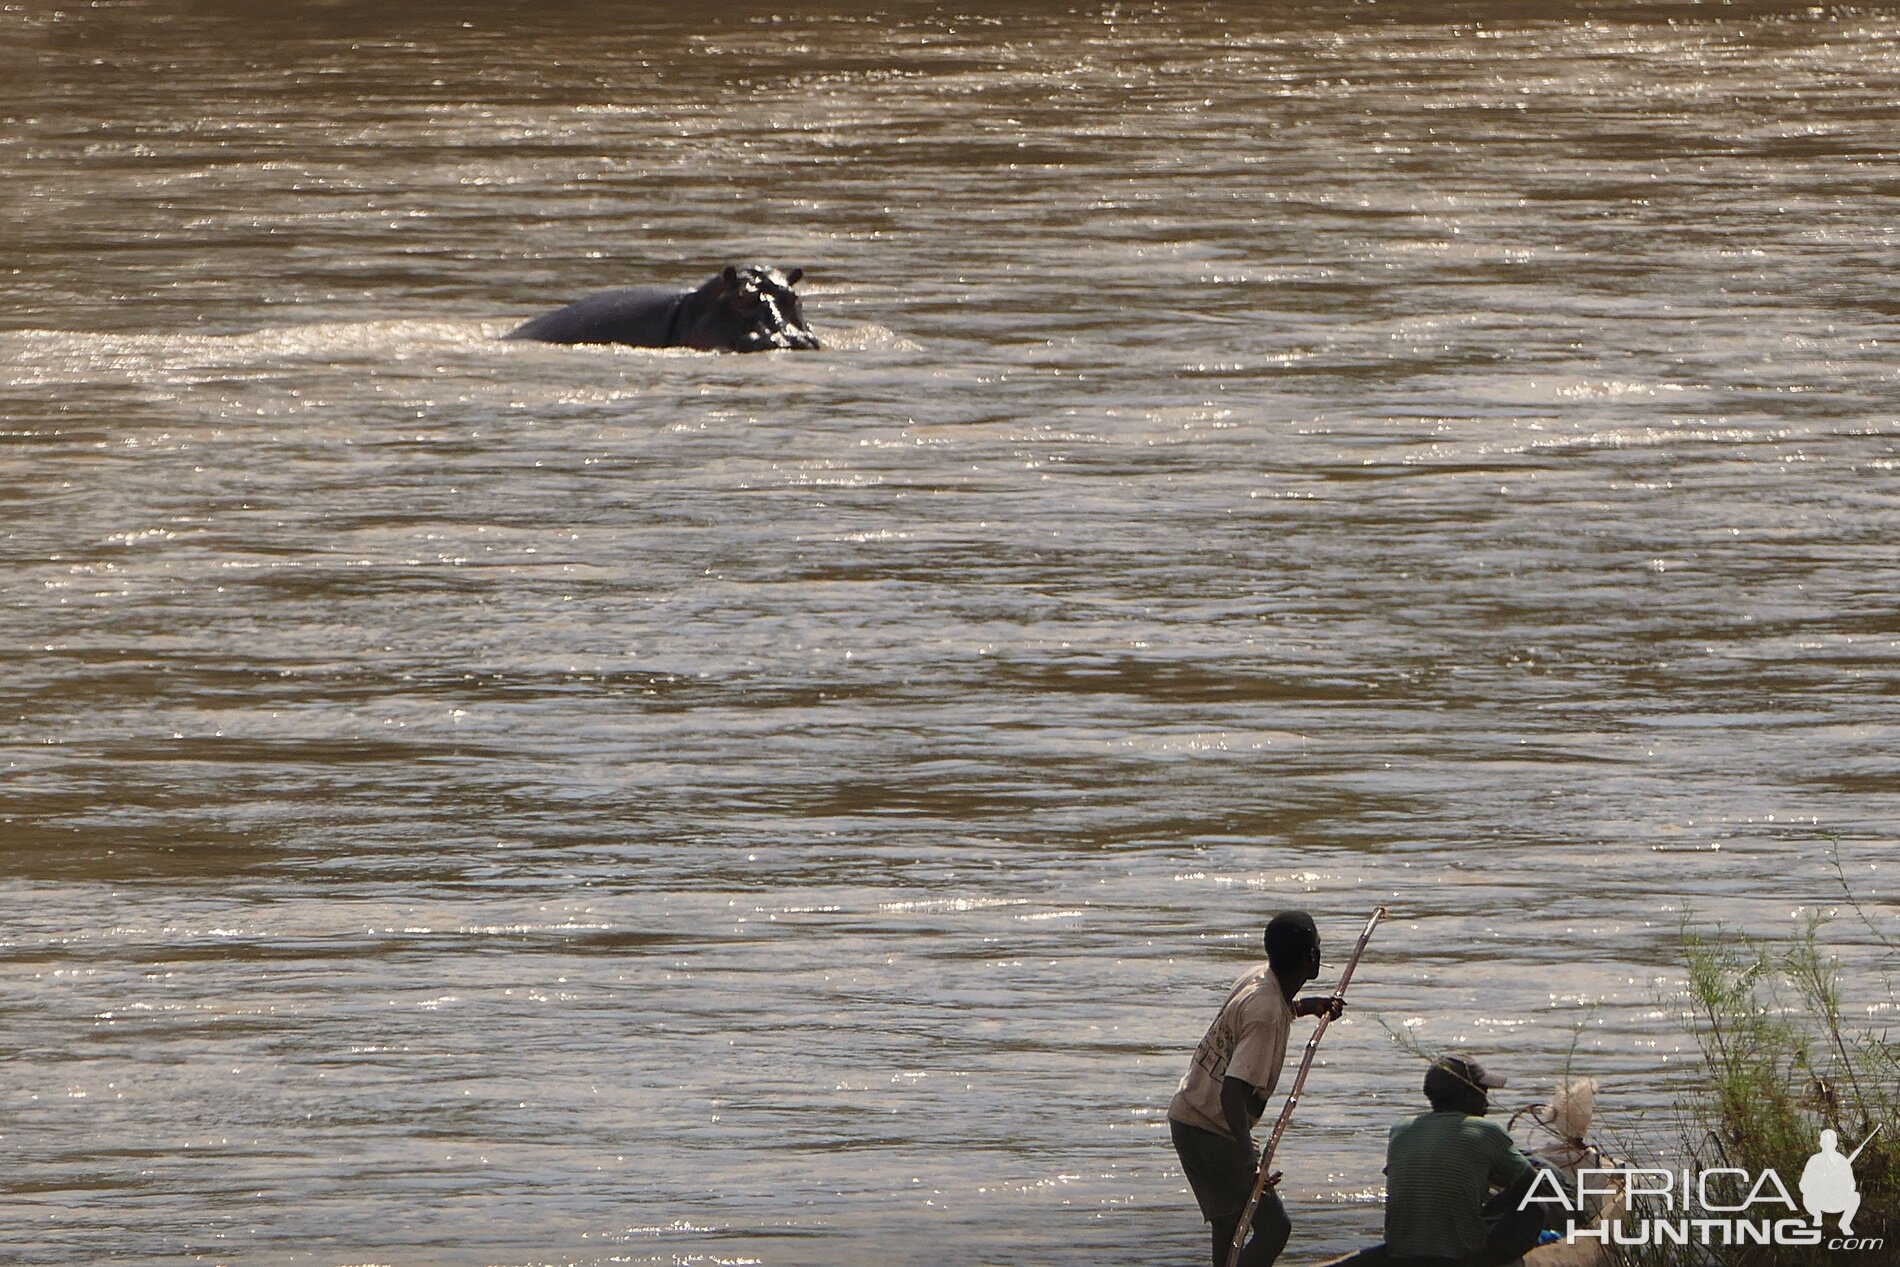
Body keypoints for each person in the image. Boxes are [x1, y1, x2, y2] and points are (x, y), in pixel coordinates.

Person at [1169, 910, 1346, 1267]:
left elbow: (1259, 1018)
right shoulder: (1266, 1011)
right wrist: (1251, 1162)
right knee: (1274, 1229)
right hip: (1214, 1131)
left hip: (1186, 1118)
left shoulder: (1260, 979)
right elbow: (1232, 1091)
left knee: (1228, 1225)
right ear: (1311, 959)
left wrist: (1305, 1007)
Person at [1382, 1054, 1547, 1267]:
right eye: (1482, 1092)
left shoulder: (1400, 1130)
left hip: (1399, 1253)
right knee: (1536, 1207)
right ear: (1466, 1095)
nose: (1486, 1101)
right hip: (1460, 1258)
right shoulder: (1486, 1131)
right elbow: (1535, 1184)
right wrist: (1490, 1207)